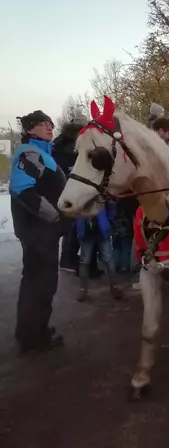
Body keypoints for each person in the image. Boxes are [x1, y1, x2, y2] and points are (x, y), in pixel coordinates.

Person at [9, 110, 67, 352]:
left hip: (44, 232)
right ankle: (33, 338)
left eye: (51, 124)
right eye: (44, 125)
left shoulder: (44, 152)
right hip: (37, 232)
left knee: (42, 281)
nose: (50, 128)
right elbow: (22, 191)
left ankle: (34, 330)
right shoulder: (29, 153)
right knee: (39, 282)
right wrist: (54, 216)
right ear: (30, 130)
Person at [52, 110, 88, 272]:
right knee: (72, 224)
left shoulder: (62, 139)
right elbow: (66, 162)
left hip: (64, 184)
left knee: (72, 224)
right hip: (68, 185)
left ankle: (69, 257)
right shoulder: (71, 141)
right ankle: (68, 259)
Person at [75, 203, 122, 302]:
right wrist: (76, 224)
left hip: (102, 231)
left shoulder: (99, 193)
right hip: (86, 232)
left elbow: (111, 206)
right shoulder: (79, 193)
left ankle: (114, 286)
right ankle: (82, 289)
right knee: (85, 261)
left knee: (108, 259)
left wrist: (108, 221)